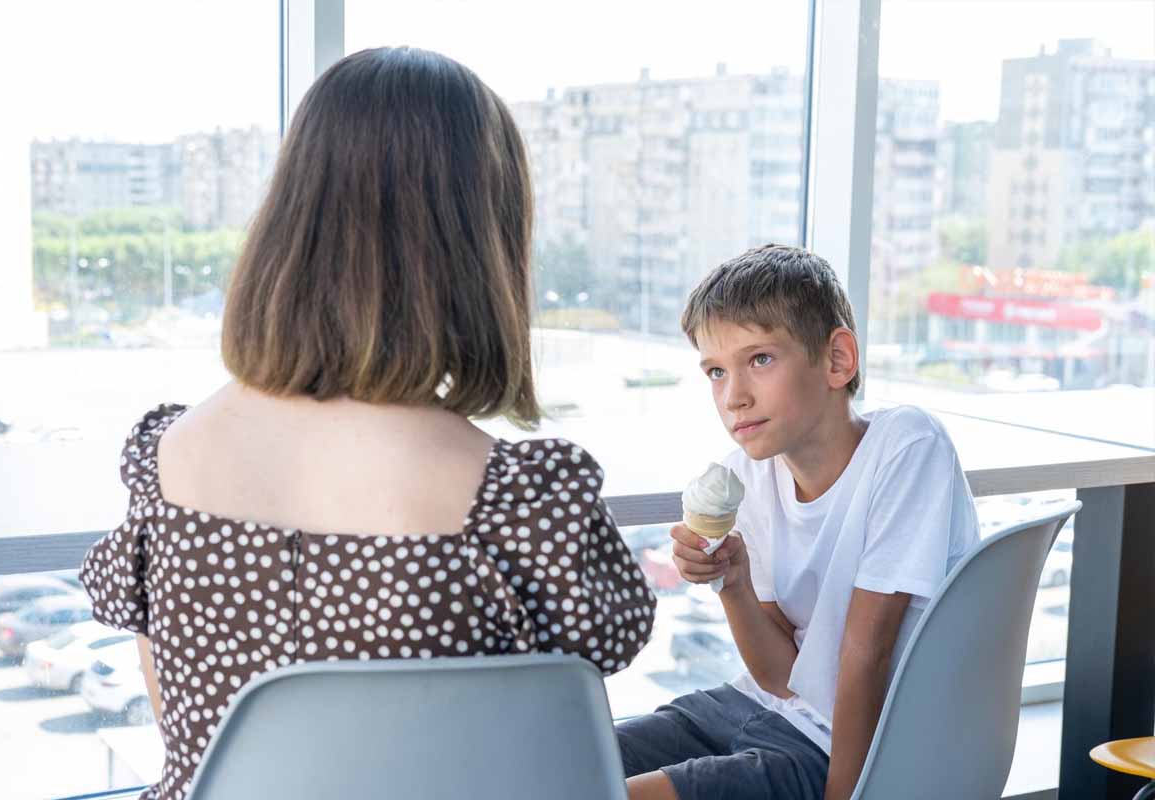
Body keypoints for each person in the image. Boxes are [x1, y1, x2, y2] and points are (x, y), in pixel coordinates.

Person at [79, 47, 657, 800]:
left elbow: (185, 739)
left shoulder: (166, 460)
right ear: (480, 243)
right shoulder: (521, 502)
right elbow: (565, 723)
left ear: (291, 217)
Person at [618, 244, 979, 800]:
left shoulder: (907, 445)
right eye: (716, 371)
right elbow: (782, 678)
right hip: (749, 707)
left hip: (839, 746)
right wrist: (732, 582)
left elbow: (868, 654)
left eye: (759, 360)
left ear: (838, 359)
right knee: (566, 759)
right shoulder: (750, 476)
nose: (733, 397)